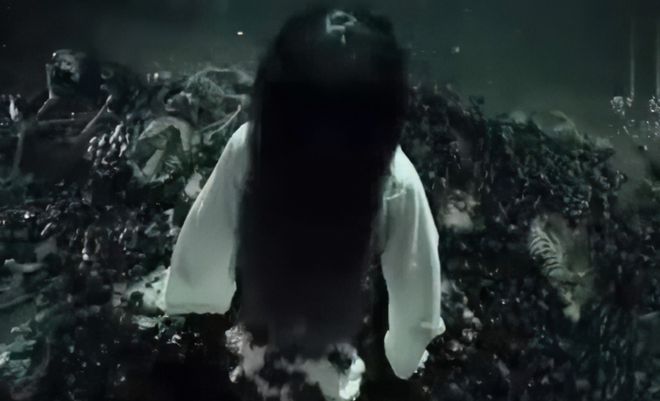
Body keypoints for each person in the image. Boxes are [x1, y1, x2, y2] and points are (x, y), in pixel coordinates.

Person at [163, 6, 445, 401]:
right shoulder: (397, 180)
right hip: (317, 317)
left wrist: (195, 301)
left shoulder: (251, 147)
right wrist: (404, 357)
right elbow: (416, 294)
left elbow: (206, 245)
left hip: (291, 310)